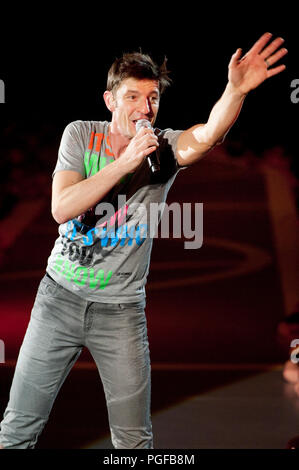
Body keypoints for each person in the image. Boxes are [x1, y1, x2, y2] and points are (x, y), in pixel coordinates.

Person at [0, 33, 287, 449]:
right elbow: (62, 207)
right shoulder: (80, 135)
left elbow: (205, 136)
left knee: (134, 440)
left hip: (121, 311)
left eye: (152, 98)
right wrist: (127, 160)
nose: (145, 108)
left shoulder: (164, 147)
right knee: (18, 428)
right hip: (58, 300)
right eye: (133, 97)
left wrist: (234, 91)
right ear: (110, 100)